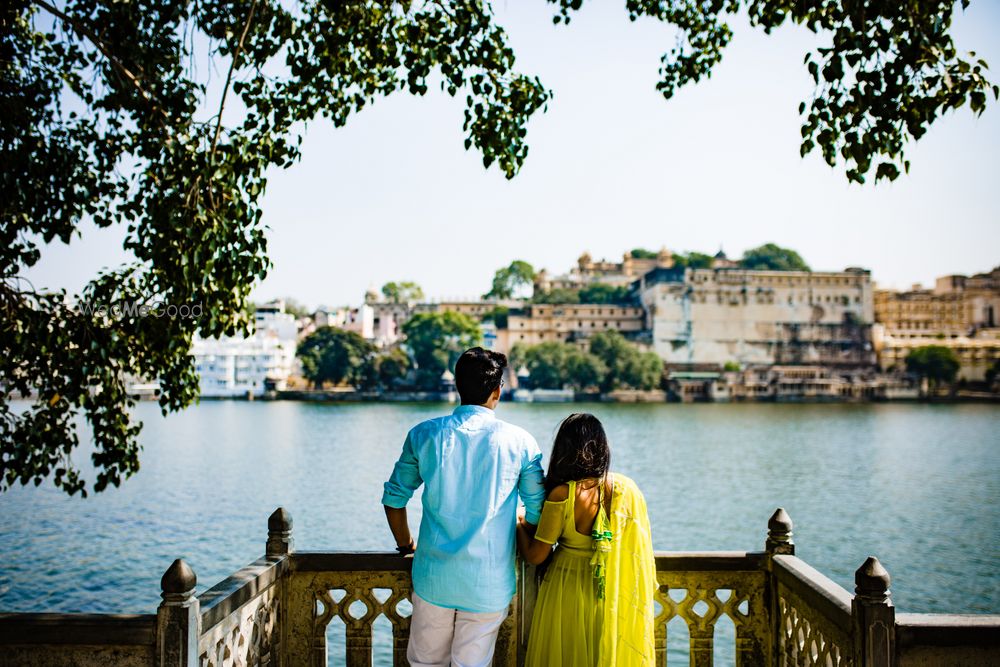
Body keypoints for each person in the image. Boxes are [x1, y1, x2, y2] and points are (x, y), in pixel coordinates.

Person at [382, 347, 545, 667]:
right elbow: (539, 511)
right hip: (488, 582)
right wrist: (517, 523)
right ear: (499, 390)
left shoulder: (424, 434)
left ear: (457, 386)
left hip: (433, 577)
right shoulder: (521, 442)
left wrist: (406, 545)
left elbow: (394, 499)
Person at [516, 413, 656, 667]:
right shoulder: (628, 490)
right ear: (603, 447)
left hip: (565, 592)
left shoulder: (563, 494)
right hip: (612, 596)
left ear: (564, 450)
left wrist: (517, 526)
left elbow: (536, 555)